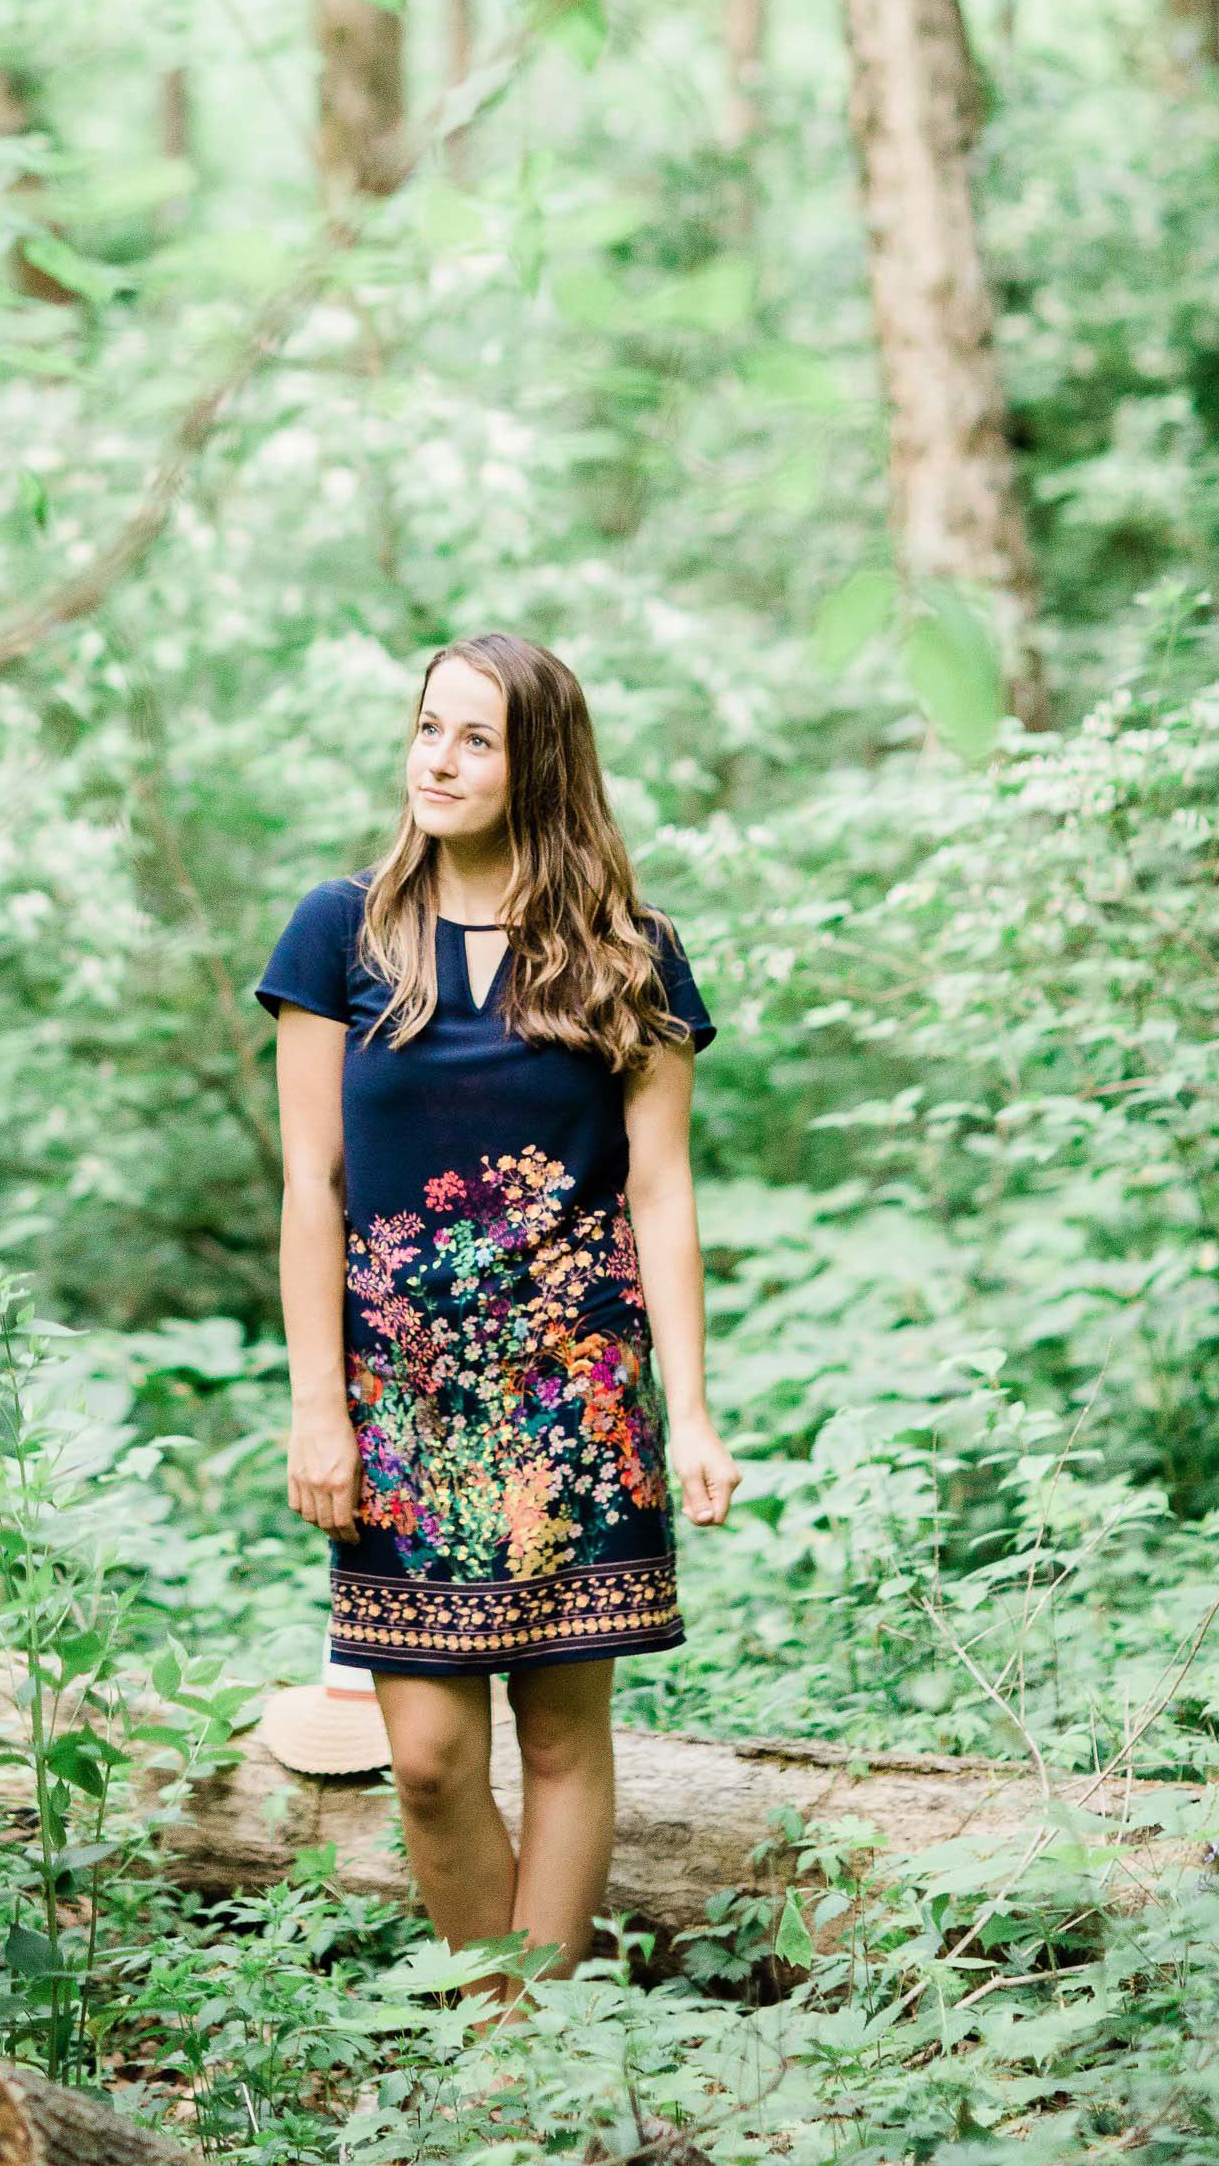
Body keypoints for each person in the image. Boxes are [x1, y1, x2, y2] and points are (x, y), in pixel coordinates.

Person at [257, 631, 738, 1981]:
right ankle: (506, 2025)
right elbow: (313, 1187)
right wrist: (317, 1409)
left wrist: (690, 1409)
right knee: (426, 1763)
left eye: (476, 738)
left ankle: (534, 2068)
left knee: (567, 1740)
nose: (440, 760)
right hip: (400, 1412)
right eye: (427, 729)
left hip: (575, 1405)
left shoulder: (628, 956)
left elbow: (663, 1193)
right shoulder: (338, 934)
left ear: (540, 766)